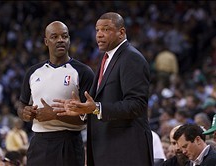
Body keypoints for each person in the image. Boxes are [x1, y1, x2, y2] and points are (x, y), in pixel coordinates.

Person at [52, 12, 153, 166]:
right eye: (97, 30)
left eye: (106, 30)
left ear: (121, 32)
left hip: (126, 150)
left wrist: (97, 108)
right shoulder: (107, 58)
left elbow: (136, 105)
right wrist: (83, 109)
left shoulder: (131, 58)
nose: (99, 35)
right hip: (107, 149)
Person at [17, 21, 94, 166]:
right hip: (38, 142)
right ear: (46, 41)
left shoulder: (83, 72)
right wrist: (24, 113)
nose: (60, 40)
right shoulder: (33, 72)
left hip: (69, 141)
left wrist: (54, 115)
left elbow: (89, 117)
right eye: (54, 37)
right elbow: (21, 105)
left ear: (69, 40)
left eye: (64, 36)